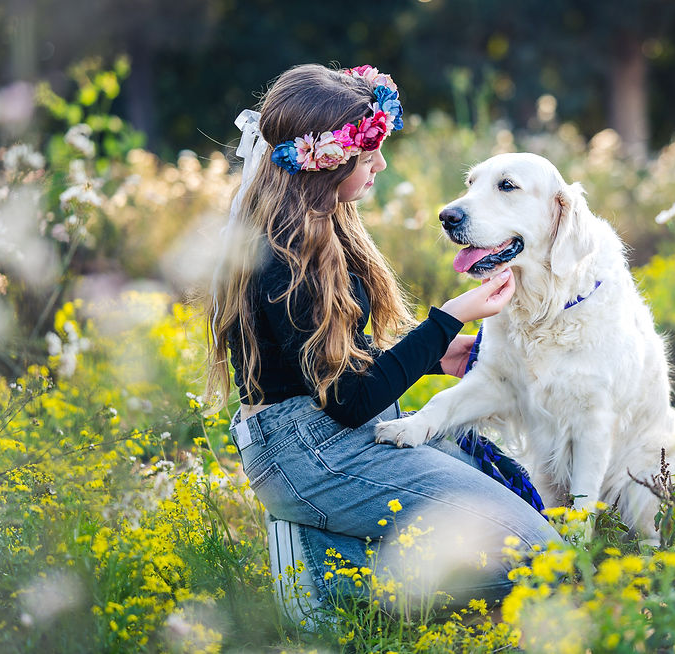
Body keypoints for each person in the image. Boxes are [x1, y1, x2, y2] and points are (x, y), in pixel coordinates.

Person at [204, 63, 558, 623]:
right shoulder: (284, 253)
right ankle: (324, 581)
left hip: (329, 430)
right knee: (538, 557)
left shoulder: (320, 224)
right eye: (369, 157)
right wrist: (446, 320)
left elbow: (328, 363)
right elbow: (346, 401)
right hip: (310, 447)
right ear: (327, 164)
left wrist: (439, 356)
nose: (381, 166)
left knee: (505, 493)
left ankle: (326, 536)